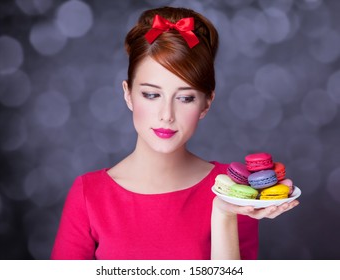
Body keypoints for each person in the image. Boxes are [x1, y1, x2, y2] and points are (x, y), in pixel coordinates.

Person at [51, 6, 299, 260]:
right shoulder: (88, 194)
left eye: (185, 98)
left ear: (206, 102)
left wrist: (224, 214)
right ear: (128, 94)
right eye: (151, 94)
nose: (166, 114)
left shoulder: (234, 190)